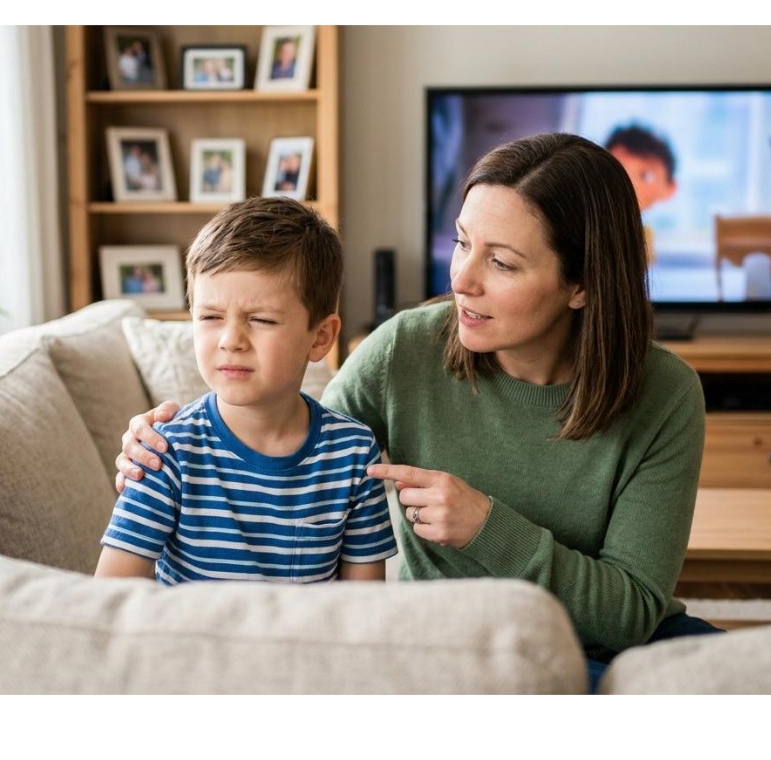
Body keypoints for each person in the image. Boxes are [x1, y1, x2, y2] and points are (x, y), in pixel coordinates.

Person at [114, 133, 721, 688]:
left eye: (501, 262)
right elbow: (296, 442)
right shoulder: (408, 346)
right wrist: (160, 446)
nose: (462, 279)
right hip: (464, 650)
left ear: (582, 283)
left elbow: (634, 613)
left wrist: (489, 529)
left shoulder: (664, 395)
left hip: (615, 644)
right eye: (462, 243)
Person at [96, 196, 398, 584]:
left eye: (260, 319)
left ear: (320, 337)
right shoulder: (165, 451)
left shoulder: (353, 455)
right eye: (210, 316)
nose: (231, 340)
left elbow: (362, 610)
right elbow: (112, 598)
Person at [605, 123, 678, 264]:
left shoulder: (644, 235)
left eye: (645, 176)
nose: (630, 185)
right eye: (619, 172)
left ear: (670, 188)